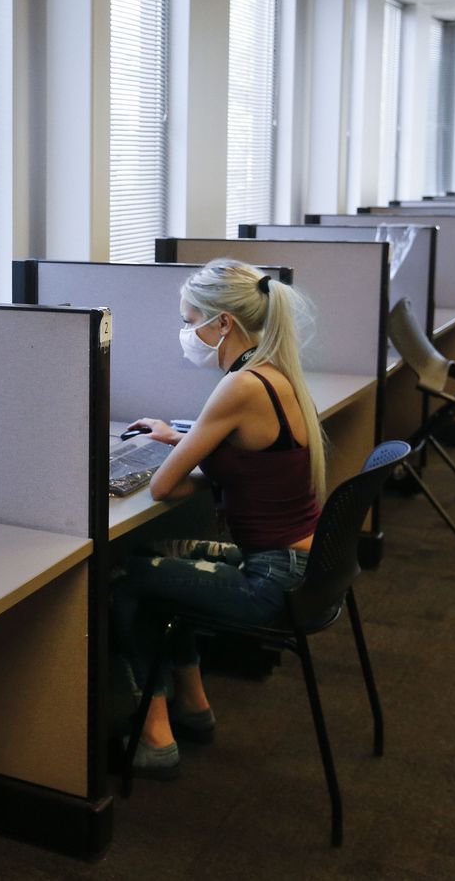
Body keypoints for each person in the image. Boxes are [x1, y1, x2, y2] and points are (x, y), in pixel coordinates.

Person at [112, 258, 327, 779]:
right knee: (164, 562)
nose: (188, 334)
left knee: (124, 581)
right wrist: (181, 438)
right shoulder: (276, 373)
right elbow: (248, 459)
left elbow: (165, 486)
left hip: (270, 580)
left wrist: (181, 452)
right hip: (304, 565)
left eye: (191, 321)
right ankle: (194, 704)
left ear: (222, 323)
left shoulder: (240, 387)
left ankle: (155, 735)